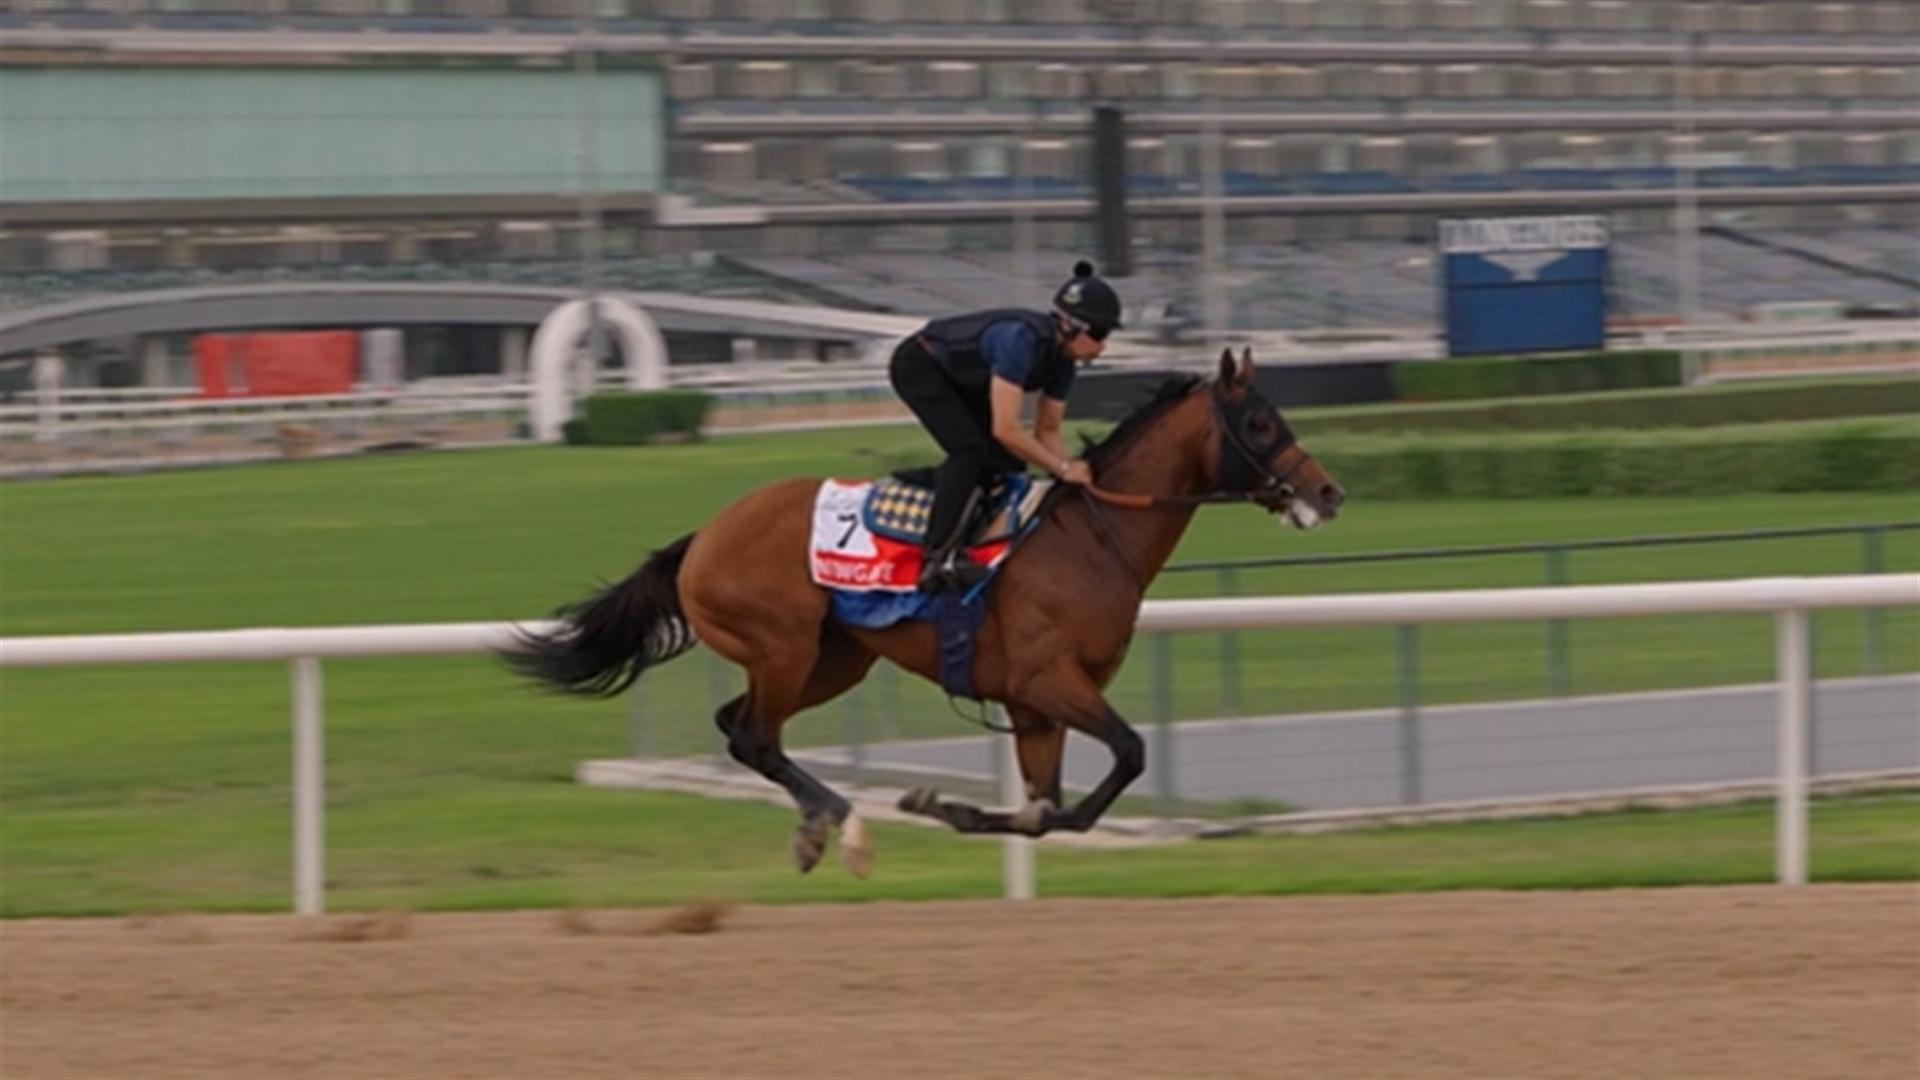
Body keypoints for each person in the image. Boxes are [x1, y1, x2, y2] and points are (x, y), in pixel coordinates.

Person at [888, 260, 1123, 593]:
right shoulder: (1019, 340)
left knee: (1009, 465)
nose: (1103, 345)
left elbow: (1048, 433)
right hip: (918, 364)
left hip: (961, 379)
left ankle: (967, 526)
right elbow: (1006, 429)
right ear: (1072, 325)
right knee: (970, 452)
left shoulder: (1064, 364)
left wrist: (1072, 471)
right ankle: (935, 559)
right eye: (1099, 334)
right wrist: (1061, 467)